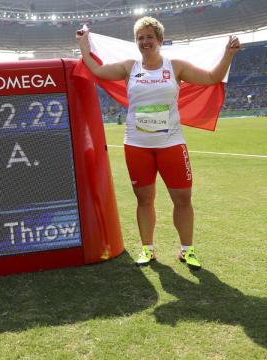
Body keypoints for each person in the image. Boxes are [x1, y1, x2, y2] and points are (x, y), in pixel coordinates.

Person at [76, 17, 241, 269]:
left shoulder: (175, 67)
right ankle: (147, 249)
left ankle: (187, 250)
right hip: (137, 145)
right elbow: (97, 71)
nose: (144, 42)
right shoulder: (129, 67)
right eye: (140, 38)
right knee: (144, 200)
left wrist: (228, 55)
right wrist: (83, 44)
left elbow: (210, 77)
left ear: (160, 40)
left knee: (183, 199)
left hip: (171, 144)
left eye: (149, 37)